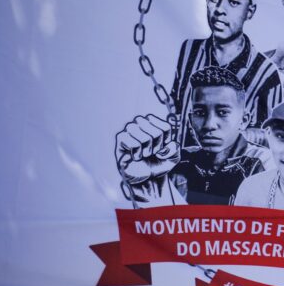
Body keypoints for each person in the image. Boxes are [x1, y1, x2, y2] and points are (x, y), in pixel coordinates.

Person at [115, 67, 268, 205]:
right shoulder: (173, 163)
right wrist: (146, 187)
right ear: (190, 119)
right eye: (200, 113)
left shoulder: (266, 165)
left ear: (244, 120)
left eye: (222, 112)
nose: (209, 124)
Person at [171, 0, 283, 148]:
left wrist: (240, 135)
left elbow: (275, 138)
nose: (220, 9)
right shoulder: (189, 50)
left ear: (250, 11)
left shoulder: (266, 73)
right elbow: (175, 109)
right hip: (181, 163)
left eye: (233, 1)